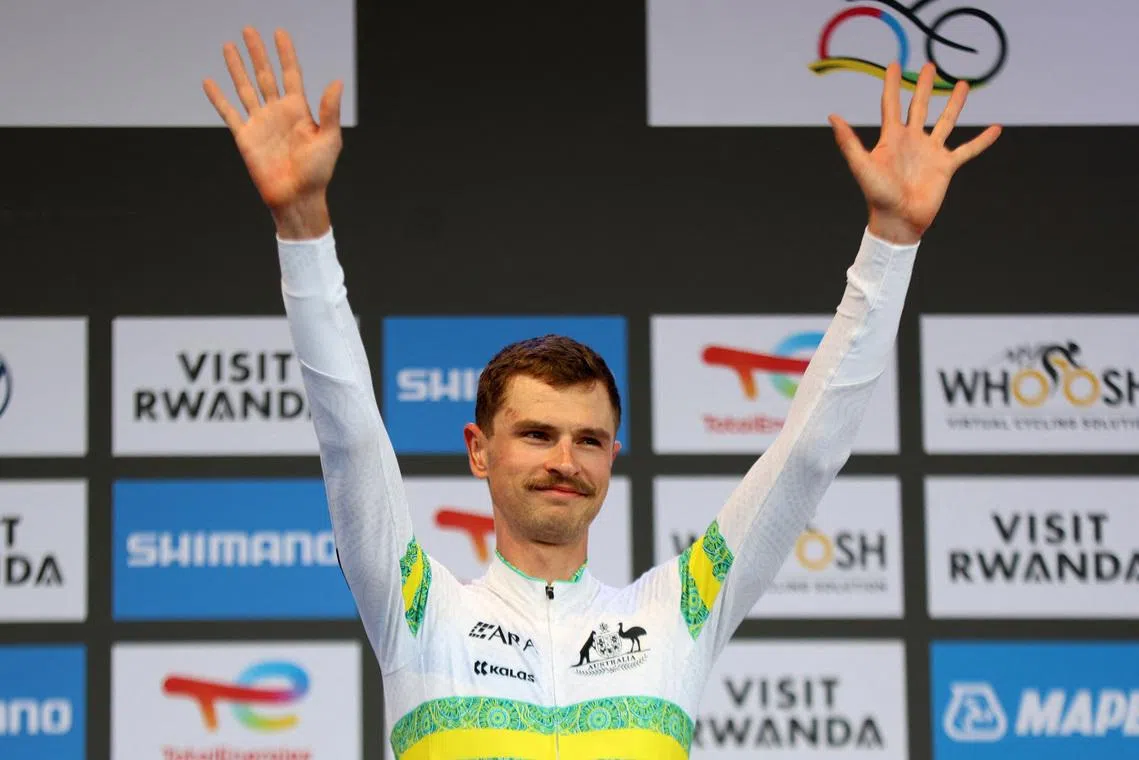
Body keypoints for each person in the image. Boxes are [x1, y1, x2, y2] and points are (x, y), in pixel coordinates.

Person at [204, 26, 1000, 760]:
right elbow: (349, 433)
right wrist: (302, 223)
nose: (565, 460)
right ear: (478, 451)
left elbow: (808, 456)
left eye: (589, 440)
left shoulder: (676, 614)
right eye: (537, 434)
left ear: (613, 458)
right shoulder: (418, 611)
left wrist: (891, 244)